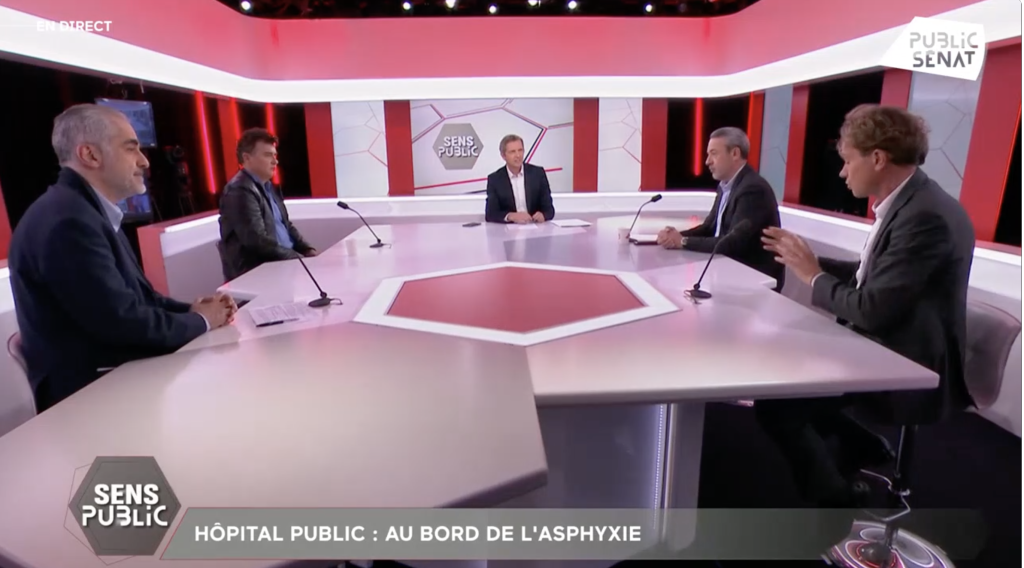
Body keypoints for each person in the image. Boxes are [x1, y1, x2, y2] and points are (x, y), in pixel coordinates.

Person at [758, 104, 975, 506]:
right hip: (889, 338)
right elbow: (874, 275)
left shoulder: (925, 216)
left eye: (847, 161)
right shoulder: (912, 202)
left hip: (909, 357)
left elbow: (871, 309)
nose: (842, 173)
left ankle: (836, 504)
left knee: (779, 408)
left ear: (877, 158)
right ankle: (864, 446)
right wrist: (810, 261)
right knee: (785, 370)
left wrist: (812, 275)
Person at [8, 104, 236, 412]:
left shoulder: (85, 211)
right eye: (131, 149)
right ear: (90, 155)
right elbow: (123, 323)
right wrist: (202, 321)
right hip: (91, 399)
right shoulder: (69, 222)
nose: (144, 161)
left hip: (113, 379)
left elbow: (140, 299)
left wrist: (194, 310)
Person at [657, 127, 785, 291]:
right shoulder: (725, 186)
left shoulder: (753, 189)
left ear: (735, 154)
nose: (707, 161)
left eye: (714, 153)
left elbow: (732, 243)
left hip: (754, 280)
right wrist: (675, 236)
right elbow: (709, 228)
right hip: (728, 270)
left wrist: (682, 241)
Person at [218, 128, 316, 280]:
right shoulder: (239, 190)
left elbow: (286, 225)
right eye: (268, 155)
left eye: (274, 155)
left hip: (283, 265)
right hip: (258, 274)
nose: (275, 161)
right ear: (247, 158)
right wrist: (297, 259)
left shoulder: (268, 186)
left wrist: (307, 250)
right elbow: (257, 240)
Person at [484, 134, 555, 224]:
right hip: (508, 229)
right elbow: (490, 214)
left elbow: (549, 210)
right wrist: (511, 216)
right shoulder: (495, 179)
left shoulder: (537, 174)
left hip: (535, 227)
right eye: (512, 152)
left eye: (520, 150)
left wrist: (543, 215)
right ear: (503, 156)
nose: (518, 155)